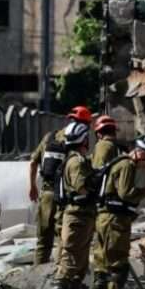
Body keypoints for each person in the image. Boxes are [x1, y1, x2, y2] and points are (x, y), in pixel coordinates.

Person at [89, 136, 145, 289]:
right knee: (118, 267)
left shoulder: (118, 163)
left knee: (102, 266)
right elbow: (126, 194)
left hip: (104, 218)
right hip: (115, 222)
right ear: (142, 153)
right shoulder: (127, 165)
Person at [29, 105, 92, 264]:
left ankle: (37, 274)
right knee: (63, 241)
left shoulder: (49, 137)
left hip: (46, 194)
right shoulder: (76, 141)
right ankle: (59, 274)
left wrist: (32, 186)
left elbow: (33, 162)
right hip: (63, 198)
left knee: (43, 241)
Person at [51, 121, 95, 289]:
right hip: (77, 216)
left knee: (81, 261)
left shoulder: (75, 159)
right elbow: (81, 187)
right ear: (83, 140)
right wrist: (96, 190)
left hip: (82, 216)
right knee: (70, 260)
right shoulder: (76, 161)